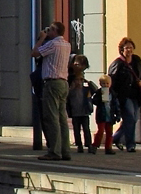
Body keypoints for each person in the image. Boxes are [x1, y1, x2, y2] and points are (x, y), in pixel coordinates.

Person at [31, 21, 72, 161]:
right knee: (62, 118)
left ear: (55, 31)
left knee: (51, 118)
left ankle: (54, 151)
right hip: (63, 82)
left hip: (52, 82)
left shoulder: (53, 44)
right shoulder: (67, 45)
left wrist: (42, 38)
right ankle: (65, 150)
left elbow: (34, 53)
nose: (48, 32)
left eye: (50, 30)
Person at [109, 37, 141, 152]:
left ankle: (115, 138)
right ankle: (130, 145)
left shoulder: (137, 60)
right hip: (124, 96)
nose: (129, 50)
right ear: (122, 50)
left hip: (136, 95)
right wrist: (115, 97)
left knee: (133, 119)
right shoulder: (118, 63)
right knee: (130, 118)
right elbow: (111, 80)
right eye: (126, 48)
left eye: (131, 48)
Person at [66, 55, 94, 153]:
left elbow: (92, 91)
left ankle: (89, 145)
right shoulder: (70, 79)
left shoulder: (85, 82)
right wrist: (73, 86)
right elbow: (68, 93)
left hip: (84, 109)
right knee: (77, 129)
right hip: (75, 108)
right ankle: (79, 145)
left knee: (86, 129)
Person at [90, 74, 120, 154]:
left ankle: (108, 148)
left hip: (110, 115)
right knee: (100, 131)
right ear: (100, 84)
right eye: (103, 83)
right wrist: (100, 98)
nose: (105, 85)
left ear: (110, 84)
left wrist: (118, 115)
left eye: (107, 83)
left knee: (109, 132)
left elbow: (116, 105)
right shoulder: (99, 93)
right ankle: (95, 146)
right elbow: (94, 101)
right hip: (101, 115)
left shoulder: (112, 93)